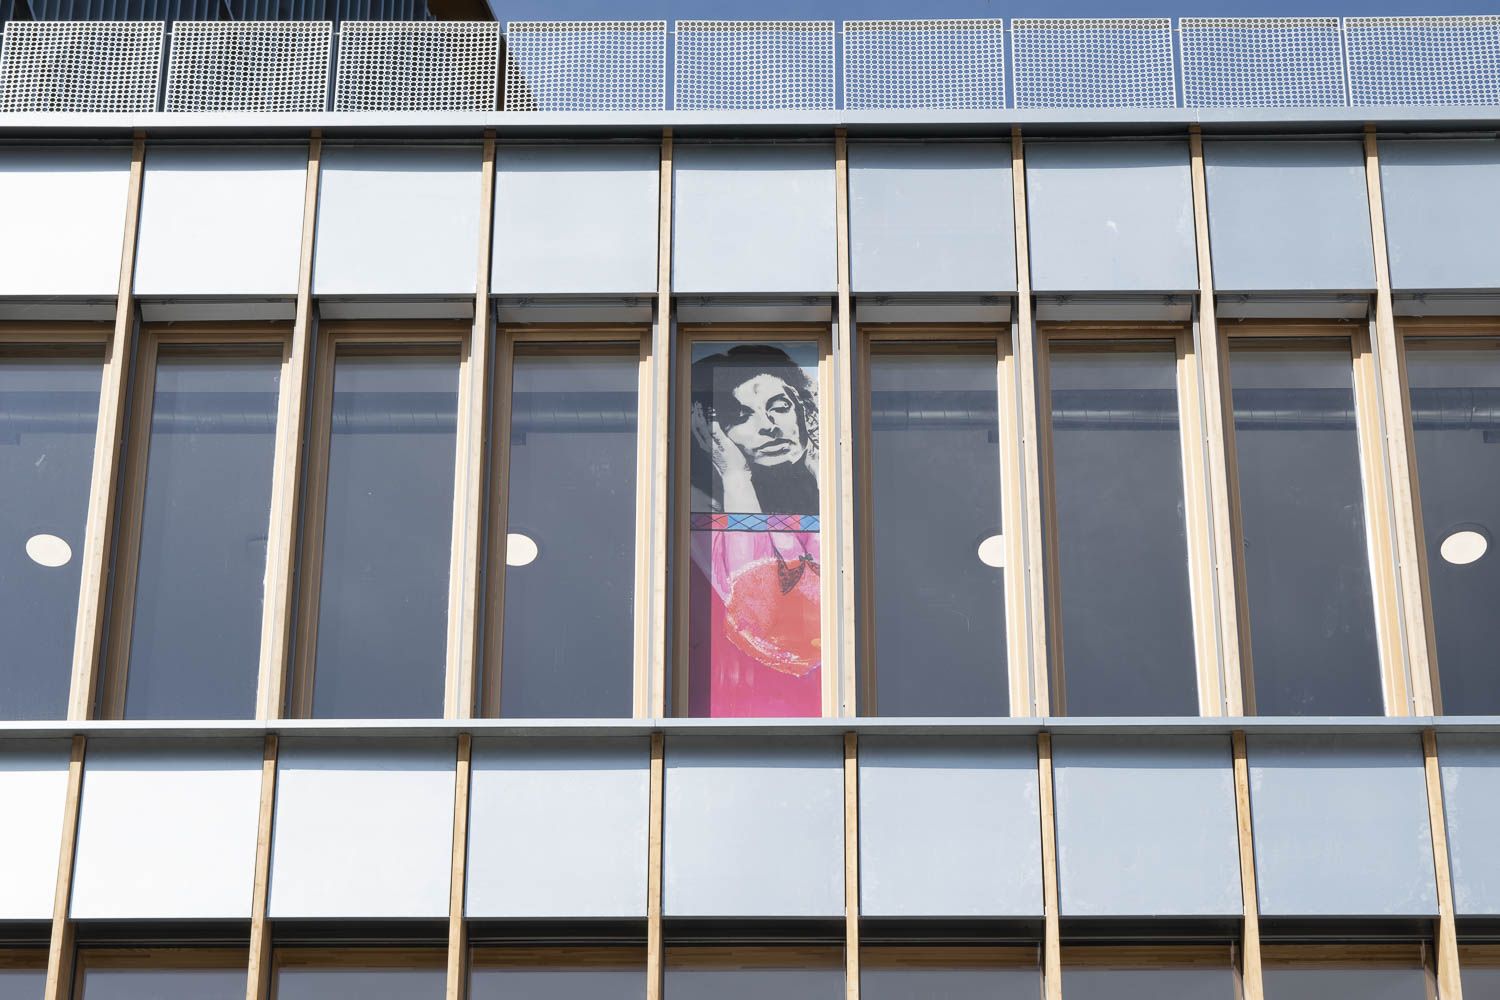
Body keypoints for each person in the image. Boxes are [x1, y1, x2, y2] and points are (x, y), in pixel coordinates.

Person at [687, 345, 822, 718]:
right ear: (708, 433)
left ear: (803, 412)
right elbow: (762, 610)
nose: (768, 425)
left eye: (780, 407)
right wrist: (735, 475)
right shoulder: (703, 525)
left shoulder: (825, 505)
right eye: (741, 416)